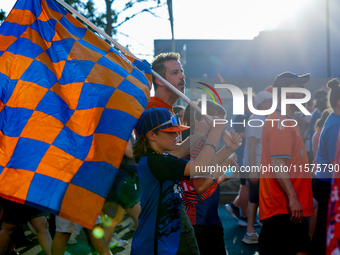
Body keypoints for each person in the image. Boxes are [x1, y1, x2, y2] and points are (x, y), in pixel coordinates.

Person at [131, 107, 230, 255]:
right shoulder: (156, 162)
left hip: (165, 238)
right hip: (155, 244)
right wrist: (215, 134)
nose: (177, 135)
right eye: (171, 132)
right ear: (152, 135)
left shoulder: (158, 158)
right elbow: (200, 167)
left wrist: (227, 147)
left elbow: (179, 151)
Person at [146, 52, 209, 255]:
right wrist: (208, 137)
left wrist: (198, 135)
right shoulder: (156, 110)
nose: (182, 76)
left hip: (168, 199)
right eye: (175, 73)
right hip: (162, 203)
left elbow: (173, 155)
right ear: (160, 80)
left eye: (181, 71)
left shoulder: (168, 110)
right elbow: (168, 160)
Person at [259, 72, 314, 255]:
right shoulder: (280, 122)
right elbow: (278, 164)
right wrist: (292, 198)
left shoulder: (286, 120)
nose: (306, 93)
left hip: (289, 211)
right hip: (284, 211)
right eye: (301, 89)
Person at [181, 100, 241, 255]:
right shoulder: (198, 146)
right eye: (217, 121)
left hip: (209, 217)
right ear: (202, 120)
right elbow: (199, 186)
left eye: (222, 121)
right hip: (197, 219)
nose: (221, 127)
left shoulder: (208, 145)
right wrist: (224, 163)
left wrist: (226, 174)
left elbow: (210, 179)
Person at [311, 78, 340, 255]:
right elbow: (334, 162)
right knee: (326, 231)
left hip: (325, 181)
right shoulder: (336, 124)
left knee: (325, 229)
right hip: (328, 183)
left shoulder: (334, 119)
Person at [242, 91, 272, 244]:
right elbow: (252, 147)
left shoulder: (262, 118)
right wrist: (253, 170)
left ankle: (252, 230)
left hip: (261, 167)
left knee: (257, 199)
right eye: (267, 101)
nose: (270, 103)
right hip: (257, 167)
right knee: (254, 200)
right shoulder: (257, 120)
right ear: (261, 104)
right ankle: (249, 232)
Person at [225, 93, 253, 226]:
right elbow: (236, 134)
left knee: (245, 186)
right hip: (243, 157)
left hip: (243, 156)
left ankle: (235, 206)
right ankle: (244, 217)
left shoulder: (243, 115)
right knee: (246, 186)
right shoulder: (242, 116)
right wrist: (254, 132)